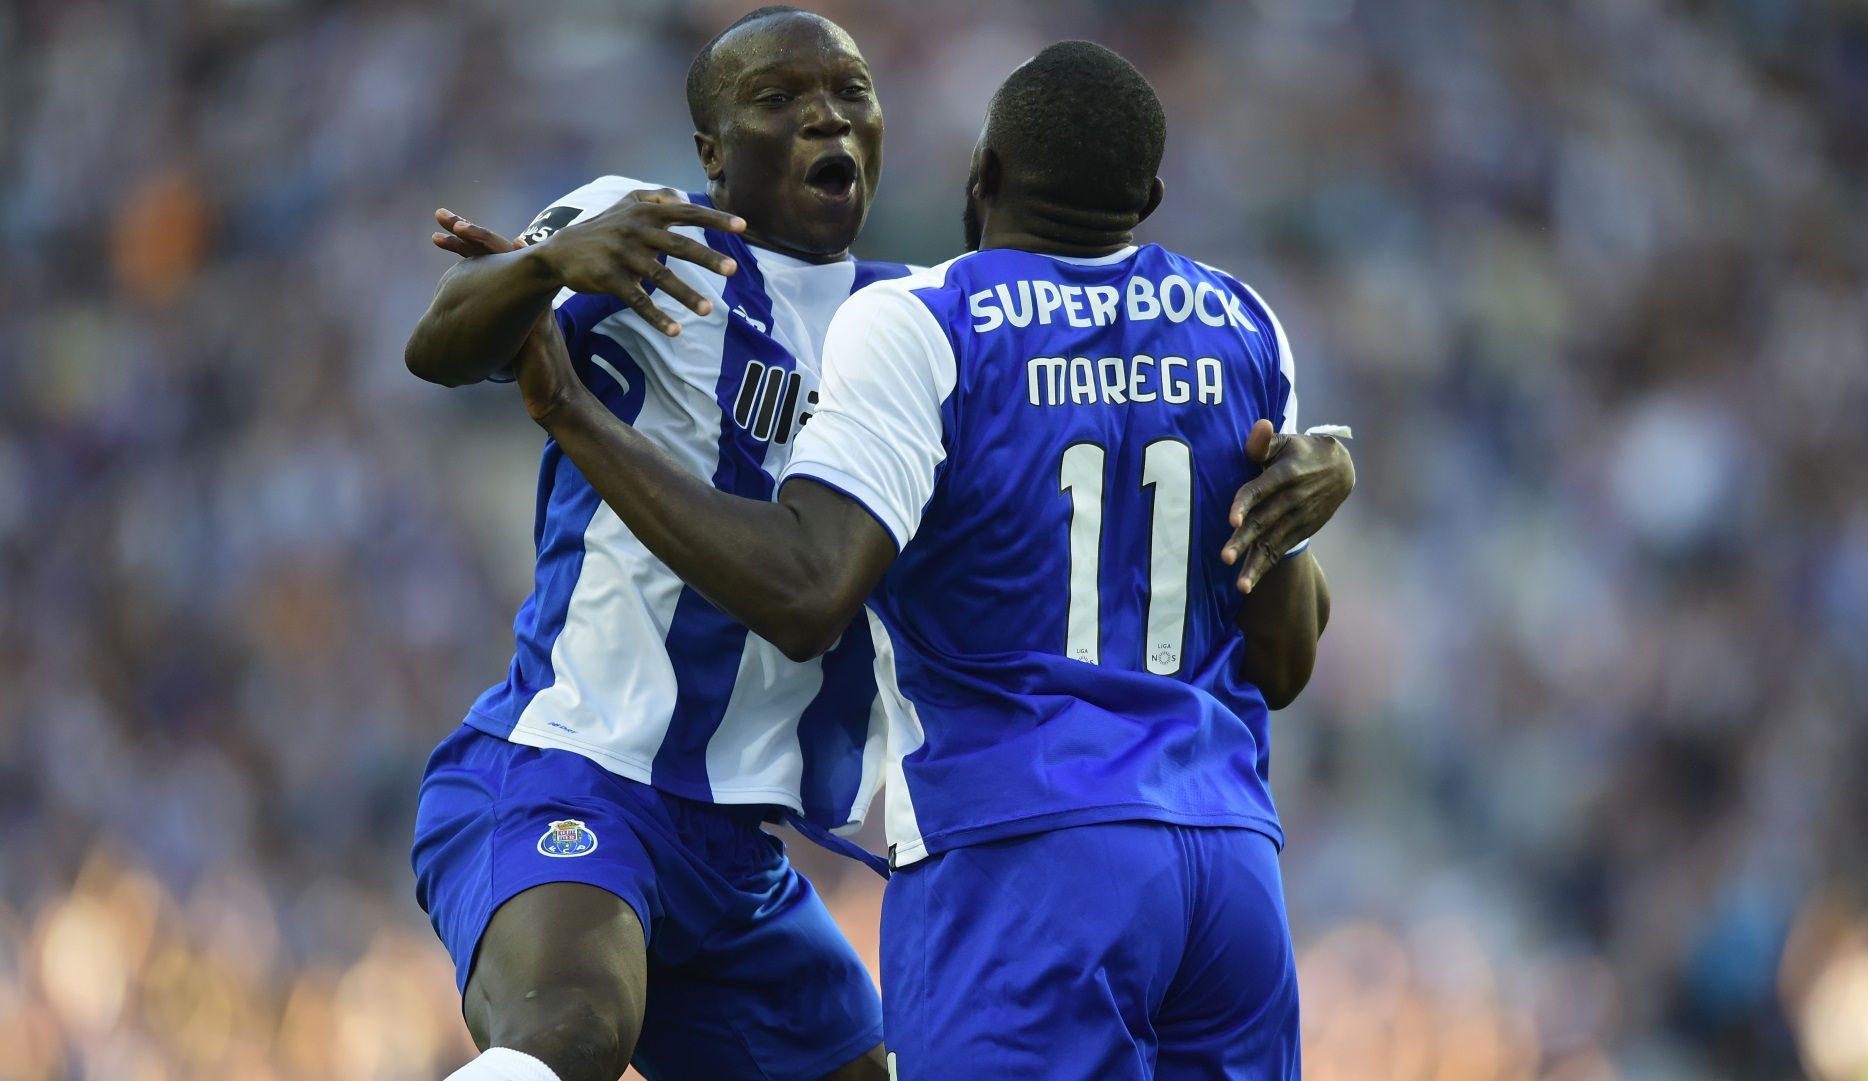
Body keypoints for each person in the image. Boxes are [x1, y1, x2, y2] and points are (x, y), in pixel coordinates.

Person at [503, 38, 1354, 1081]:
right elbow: (1285, 664)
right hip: (1229, 866)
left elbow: (811, 585)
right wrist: (1308, 519)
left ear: (982, 172)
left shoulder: (922, 320)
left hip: (1024, 851)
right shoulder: (1243, 324)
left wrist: (570, 412)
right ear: (1153, 193)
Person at [406, 8, 903, 1081]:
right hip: (574, 767)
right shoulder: (637, 232)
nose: (827, 114)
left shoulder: (914, 324)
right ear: (714, 154)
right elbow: (441, 343)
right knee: (571, 1033)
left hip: (738, 849)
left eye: (851, 91)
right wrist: (544, 267)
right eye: (778, 99)